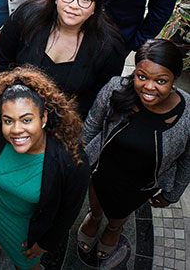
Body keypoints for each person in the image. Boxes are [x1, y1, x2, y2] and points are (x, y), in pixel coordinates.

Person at [81, 39, 190, 260]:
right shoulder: (115, 88)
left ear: (175, 78)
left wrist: (173, 193)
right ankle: (94, 217)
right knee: (97, 201)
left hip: (140, 185)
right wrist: (78, 160)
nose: (149, 87)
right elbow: (91, 125)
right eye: (142, 77)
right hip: (102, 171)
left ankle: (114, 229)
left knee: (119, 214)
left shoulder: (188, 113)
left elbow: (187, 160)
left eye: (161, 80)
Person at [0, 66, 90, 270]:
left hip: (27, 225)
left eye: (27, 120)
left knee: (26, 264)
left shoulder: (71, 161)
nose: (16, 130)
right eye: (8, 120)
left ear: (43, 118)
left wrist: (45, 244)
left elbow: (68, 211)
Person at [0, 0, 126, 118]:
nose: (74, 5)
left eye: (85, 0)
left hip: (67, 122)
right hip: (14, 110)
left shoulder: (109, 46)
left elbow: (97, 100)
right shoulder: (27, 17)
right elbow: (2, 65)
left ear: (95, 8)